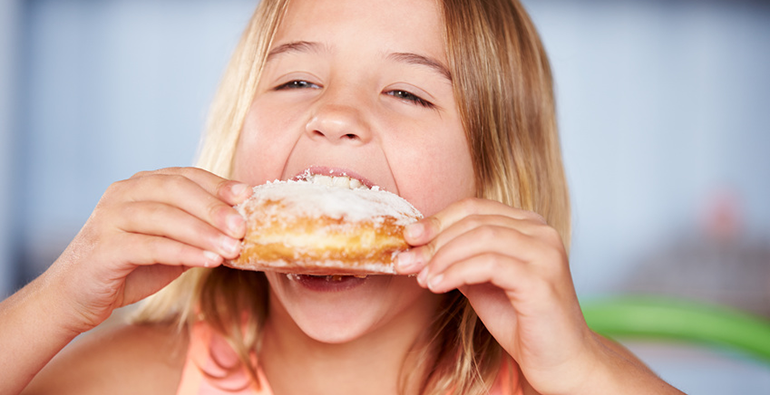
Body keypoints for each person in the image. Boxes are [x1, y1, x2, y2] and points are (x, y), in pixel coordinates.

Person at [1, 0, 683, 394]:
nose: (335, 115)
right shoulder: (143, 376)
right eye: (296, 81)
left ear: (494, 176)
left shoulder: (561, 380)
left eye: (407, 92)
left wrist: (579, 366)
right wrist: (57, 300)